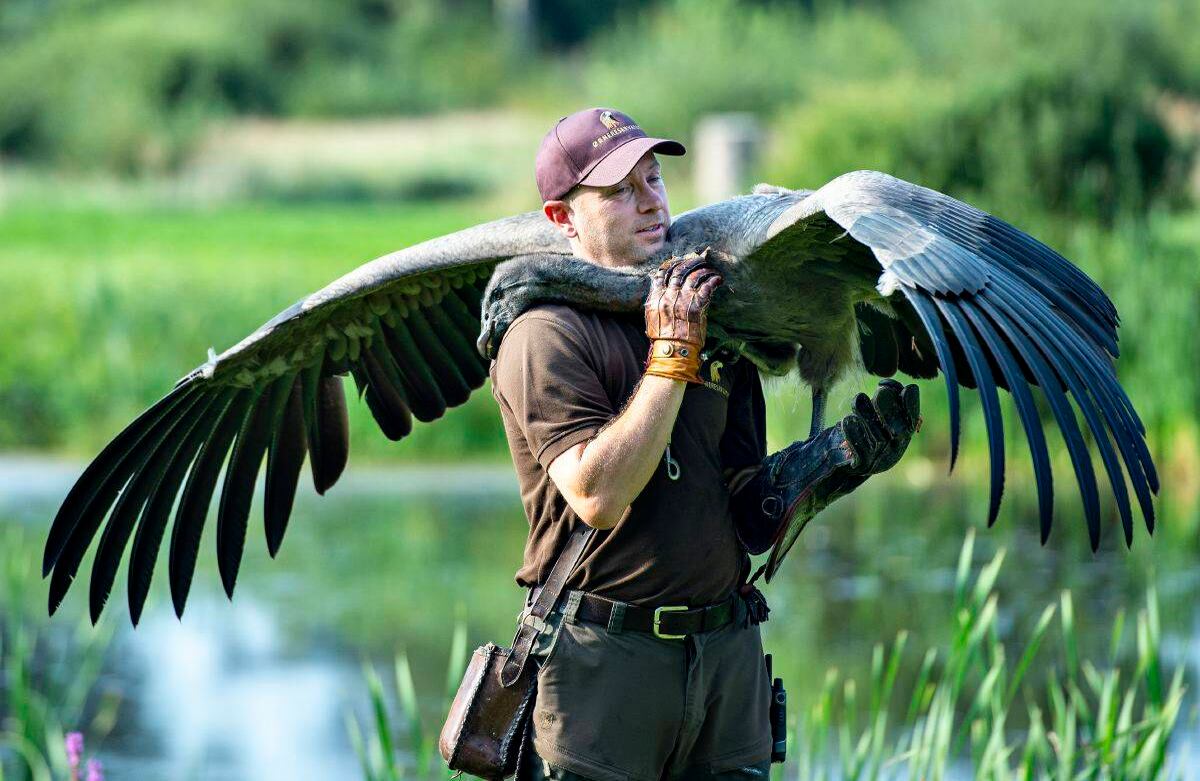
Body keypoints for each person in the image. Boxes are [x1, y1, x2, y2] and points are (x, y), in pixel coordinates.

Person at [488, 107, 921, 781]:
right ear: (561, 218)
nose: (649, 200)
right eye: (618, 190)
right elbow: (597, 495)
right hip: (606, 673)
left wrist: (832, 463)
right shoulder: (546, 335)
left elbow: (746, 510)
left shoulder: (711, 312)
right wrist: (670, 357)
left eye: (654, 179)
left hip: (725, 671)